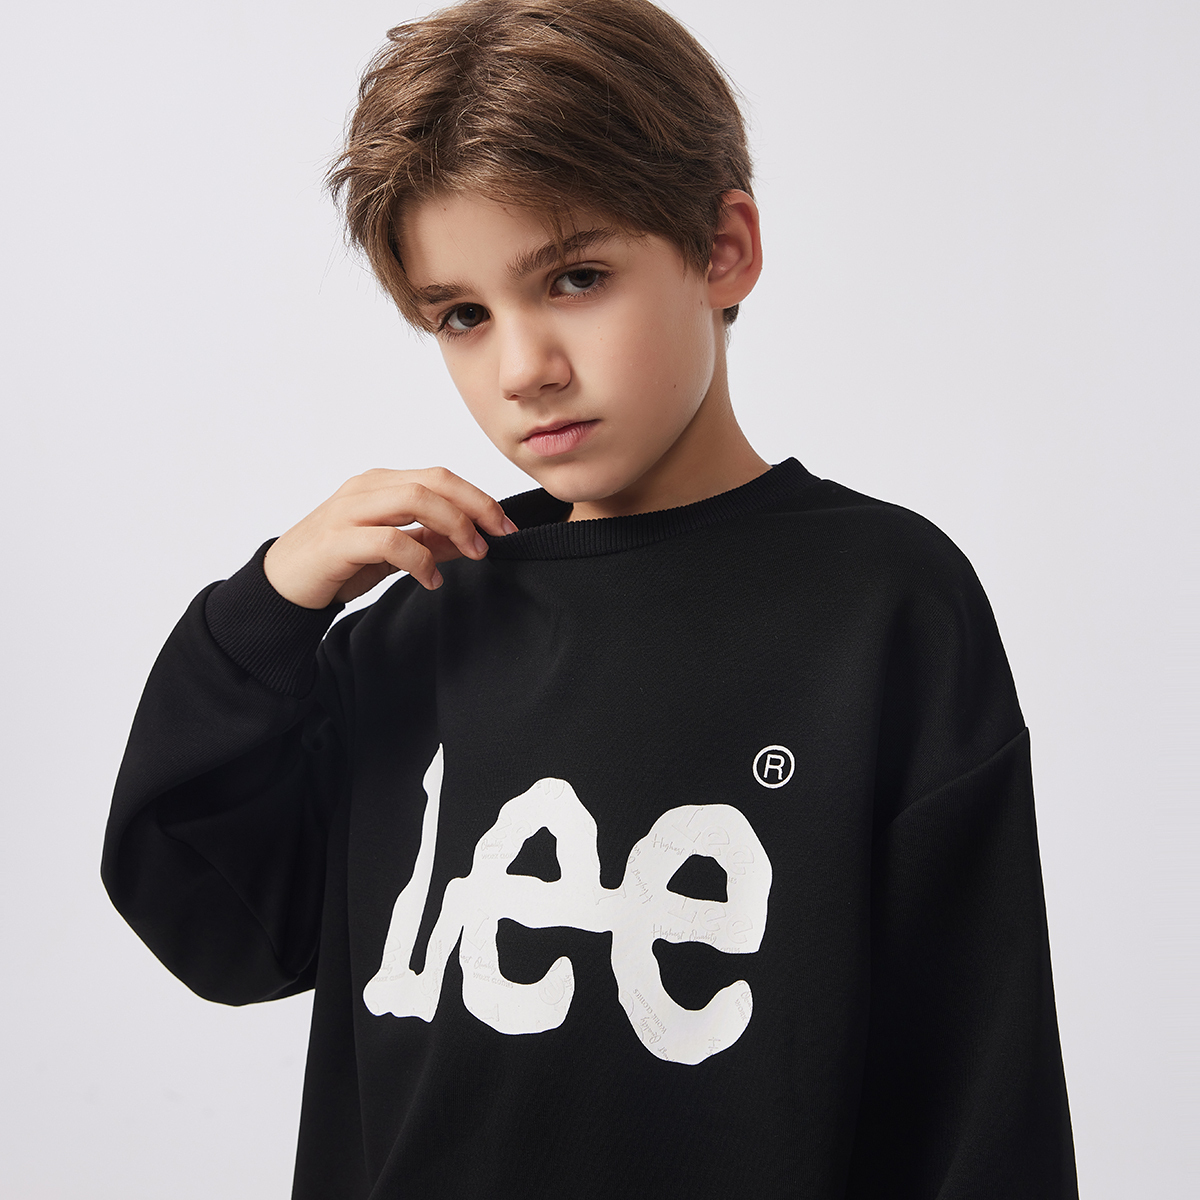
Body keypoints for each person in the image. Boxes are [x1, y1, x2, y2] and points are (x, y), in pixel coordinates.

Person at [102, 1, 1078, 1195]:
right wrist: (268, 612)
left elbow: (980, 1086)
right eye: (463, 315)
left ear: (723, 249)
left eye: (575, 278)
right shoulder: (419, 623)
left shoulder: (885, 606)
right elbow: (216, 928)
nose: (524, 369)